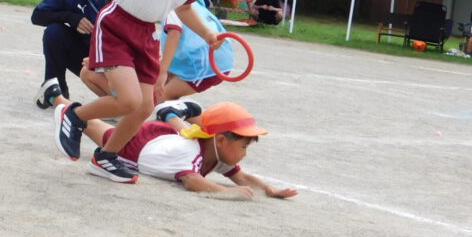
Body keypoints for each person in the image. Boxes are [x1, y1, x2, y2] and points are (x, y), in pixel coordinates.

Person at [53, 0, 238, 182]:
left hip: (148, 34)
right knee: (129, 100)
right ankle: (74, 116)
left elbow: (185, 8)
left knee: (146, 105)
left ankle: (105, 157)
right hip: (117, 26)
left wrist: (207, 34)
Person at [40, 86, 297, 198]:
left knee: (97, 125)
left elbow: (242, 177)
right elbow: (192, 181)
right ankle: (59, 102)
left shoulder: (215, 153)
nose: (244, 153)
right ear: (220, 140)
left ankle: (55, 97)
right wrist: (226, 192)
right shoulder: (193, 154)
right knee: (93, 126)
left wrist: (269, 189)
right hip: (137, 146)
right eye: (243, 146)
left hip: (160, 138)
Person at [31, 0, 121, 106]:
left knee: (128, 101)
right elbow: (38, 15)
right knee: (54, 32)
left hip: (116, 61)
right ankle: (55, 89)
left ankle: (121, 98)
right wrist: (70, 18)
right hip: (85, 57)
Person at [157, 0, 237, 102]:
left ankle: (183, 110)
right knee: (159, 86)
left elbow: (174, 34)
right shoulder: (191, 0)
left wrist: (162, 69)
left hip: (206, 62)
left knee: (162, 97)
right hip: (214, 55)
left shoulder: (173, 1)